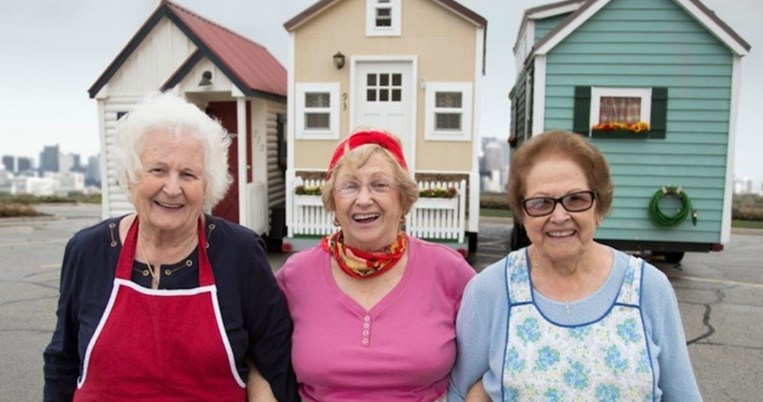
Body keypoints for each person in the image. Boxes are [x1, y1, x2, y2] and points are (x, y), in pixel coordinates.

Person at [43, 92, 298, 401]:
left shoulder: (240, 254)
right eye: (158, 170)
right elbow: (62, 361)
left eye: (188, 174)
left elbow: (275, 359)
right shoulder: (88, 251)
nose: (173, 188)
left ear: (207, 186)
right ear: (130, 176)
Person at [449, 130, 702, 401]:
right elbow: (460, 392)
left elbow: (682, 395)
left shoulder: (648, 287)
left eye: (576, 199)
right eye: (541, 203)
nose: (559, 216)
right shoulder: (491, 289)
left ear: (599, 206)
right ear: (523, 213)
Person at [276, 129, 476, 401]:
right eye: (349, 186)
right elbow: (258, 354)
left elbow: (486, 362)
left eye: (380, 184)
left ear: (403, 199)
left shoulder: (448, 271)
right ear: (334, 202)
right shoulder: (296, 275)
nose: (363, 199)